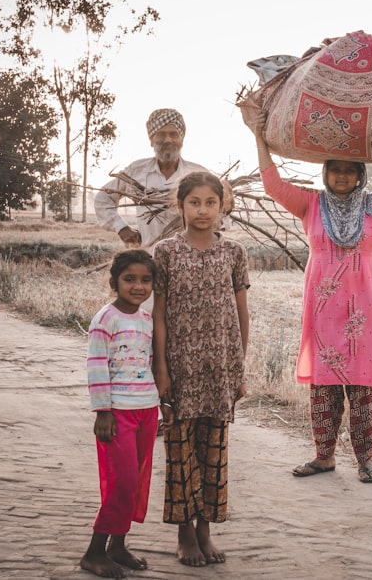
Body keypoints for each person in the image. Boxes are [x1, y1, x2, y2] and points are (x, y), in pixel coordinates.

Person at [253, 117, 372, 484]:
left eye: (349, 170)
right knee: (324, 386)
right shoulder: (311, 204)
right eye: (335, 170)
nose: (341, 176)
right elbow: (273, 184)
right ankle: (323, 456)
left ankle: (366, 460)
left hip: (365, 309)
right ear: (325, 173)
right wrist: (258, 135)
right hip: (323, 309)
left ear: (360, 174)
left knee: (364, 387)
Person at [151, 171, 250, 567]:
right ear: (181, 206)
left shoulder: (235, 252)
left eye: (211, 202)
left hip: (220, 370)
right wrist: (161, 368)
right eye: (195, 202)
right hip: (180, 367)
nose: (203, 210)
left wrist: (240, 368)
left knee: (213, 452)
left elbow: (242, 313)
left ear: (223, 205)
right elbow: (158, 314)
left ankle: (206, 529)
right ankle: (184, 534)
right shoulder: (166, 252)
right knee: (180, 453)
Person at [81, 249, 171, 578]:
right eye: (129, 279)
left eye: (146, 280)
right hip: (116, 414)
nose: (138, 286)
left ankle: (117, 546)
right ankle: (93, 552)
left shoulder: (147, 321)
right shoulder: (105, 319)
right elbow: (96, 367)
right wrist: (102, 411)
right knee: (121, 484)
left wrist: (163, 405)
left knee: (136, 485)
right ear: (115, 281)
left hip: (146, 411)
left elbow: (152, 364)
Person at [94, 108, 212, 249]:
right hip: (150, 256)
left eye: (174, 134)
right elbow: (103, 199)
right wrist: (121, 227)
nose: (168, 140)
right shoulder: (136, 171)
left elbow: (220, 213)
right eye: (161, 134)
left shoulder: (199, 174)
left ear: (182, 140)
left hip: (192, 257)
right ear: (151, 140)